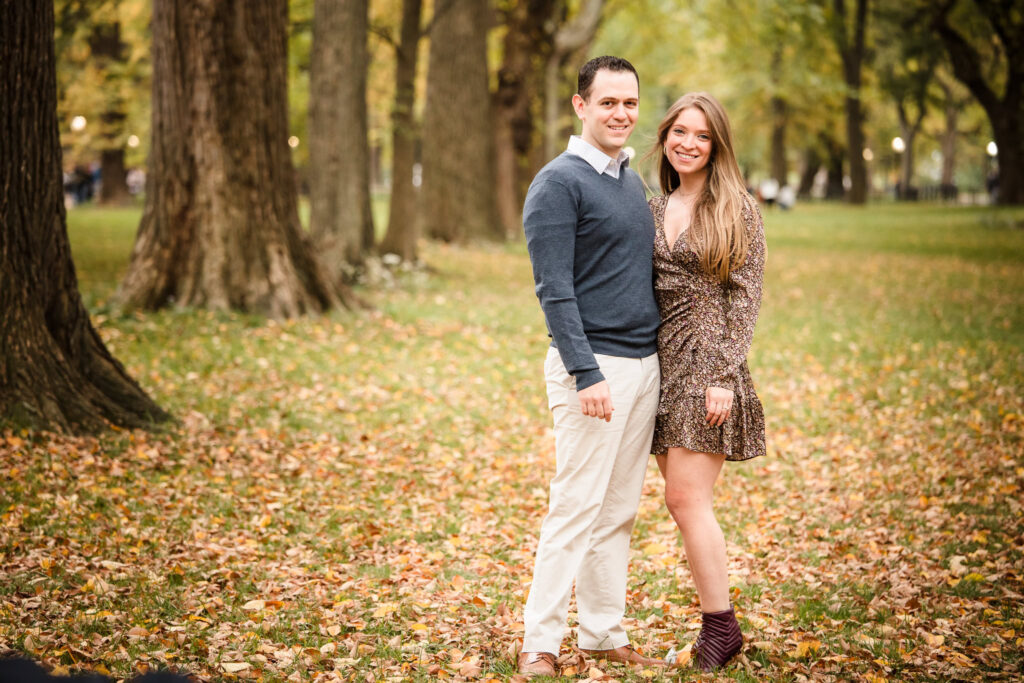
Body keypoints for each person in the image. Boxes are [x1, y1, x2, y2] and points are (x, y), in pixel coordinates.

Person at [519, 56, 665, 677]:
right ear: (580, 106)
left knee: (618, 511)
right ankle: (539, 643)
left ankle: (603, 634)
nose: (621, 114)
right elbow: (554, 290)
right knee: (576, 507)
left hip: (643, 366)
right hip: (593, 369)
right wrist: (586, 373)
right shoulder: (558, 183)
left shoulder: (631, 182)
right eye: (608, 102)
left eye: (630, 103)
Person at [646, 92, 767, 671]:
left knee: (685, 497)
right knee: (682, 501)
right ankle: (720, 623)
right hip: (659, 363)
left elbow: (745, 297)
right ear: (666, 137)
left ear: (716, 145)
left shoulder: (735, 208)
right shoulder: (652, 206)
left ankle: (721, 628)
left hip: (709, 361)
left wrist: (723, 374)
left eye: (701, 135)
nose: (688, 143)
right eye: (680, 132)